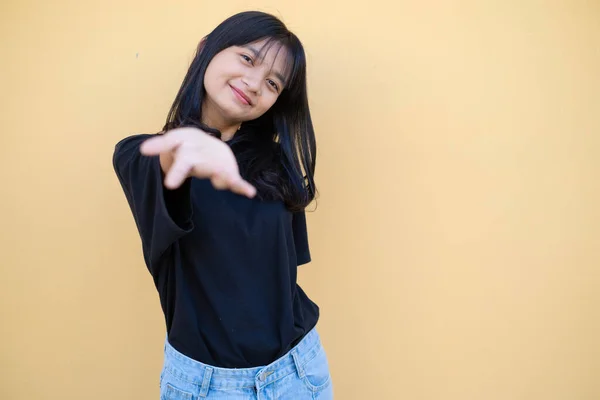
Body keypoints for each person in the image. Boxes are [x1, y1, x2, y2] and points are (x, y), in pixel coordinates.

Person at [112, 10, 333, 399]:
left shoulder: (276, 165)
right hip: (209, 387)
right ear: (206, 50)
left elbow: (280, 275)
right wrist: (190, 143)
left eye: (273, 83)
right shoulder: (143, 158)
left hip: (299, 372)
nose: (254, 84)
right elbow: (157, 163)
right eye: (248, 59)